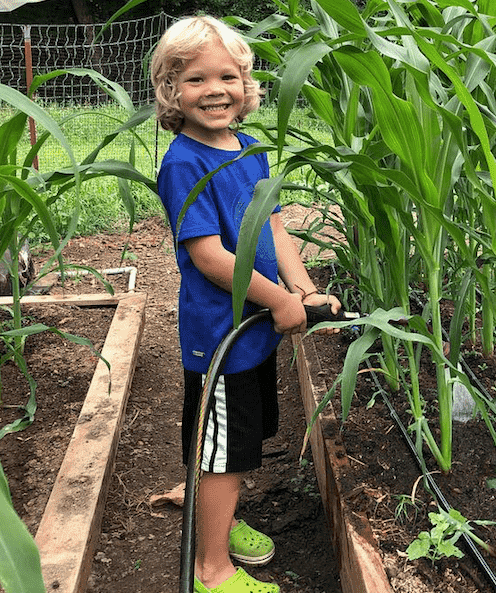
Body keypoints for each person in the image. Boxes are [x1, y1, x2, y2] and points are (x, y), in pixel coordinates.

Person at [150, 15, 341, 593]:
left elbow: (276, 229)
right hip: (220, 334)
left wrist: (302, 289)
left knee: (241, 442)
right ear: (170, 91)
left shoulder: (250, 149)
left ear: (246, 84)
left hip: (254, 326)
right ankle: (211, 571)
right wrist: (281, 299)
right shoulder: (184, 162)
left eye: (227, 76)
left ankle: (221, 523)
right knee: (222, 453)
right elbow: (209, 256)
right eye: (195, 79)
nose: (214, 90)